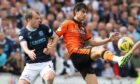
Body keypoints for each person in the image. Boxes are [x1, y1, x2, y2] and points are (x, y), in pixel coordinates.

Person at [55, 3, 133, 84]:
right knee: (98, 50)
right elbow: (55, 35)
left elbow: (92, 42)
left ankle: (119, 59)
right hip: (76, 54)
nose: (85, 14)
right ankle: (119, 59)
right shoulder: (68, 23)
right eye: (83, 12)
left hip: (83, 59)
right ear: (76, 12)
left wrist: (108, 40)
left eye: (86, 12)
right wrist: (50, 45)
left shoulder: (83, 28)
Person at [18, 10, 58, 84]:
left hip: (45, 62)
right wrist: (28, 51)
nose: (39, 20)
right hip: (31, 65)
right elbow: (23, 44)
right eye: (36, 18)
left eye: (39, 18)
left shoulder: (43, 27)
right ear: (28, 19)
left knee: (49, 77)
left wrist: (51, 47)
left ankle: (45, 79)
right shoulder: (23, 32)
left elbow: (55, 36)